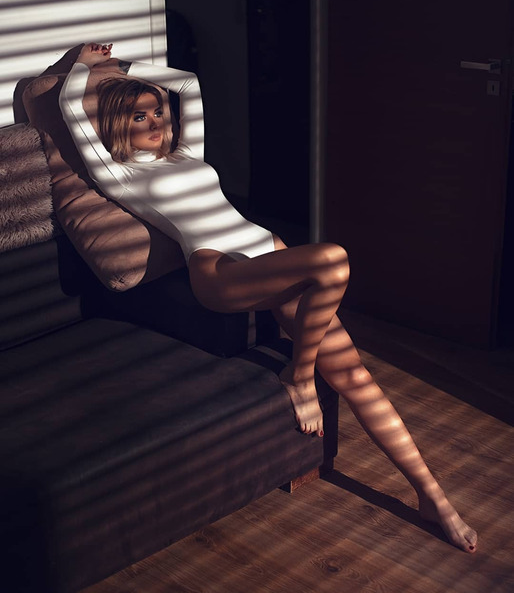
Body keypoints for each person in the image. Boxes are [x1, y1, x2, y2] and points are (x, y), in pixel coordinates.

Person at [59, 43, 478, 553]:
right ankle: (299, 376)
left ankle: (433, 497)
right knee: (333, 259)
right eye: (139, 116)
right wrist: (83, 66)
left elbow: (187, 82)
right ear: (115, 126)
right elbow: (67, 106)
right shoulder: (118, 174)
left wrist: (125, 67)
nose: (155, 122)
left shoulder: (186, 154)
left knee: (354, 375)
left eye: (157, 113)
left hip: (269, 254)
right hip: (220, 269)